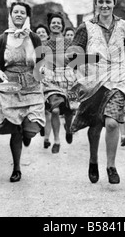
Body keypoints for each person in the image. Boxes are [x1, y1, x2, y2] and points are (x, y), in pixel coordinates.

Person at [66, 0, 125, 184]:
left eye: (108, 1)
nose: (105, 5)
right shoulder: (86, 27)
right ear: (96, 4)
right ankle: (92, 160)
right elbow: (74, 51)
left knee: (112, 122)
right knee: (95, 123)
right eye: (101, 2)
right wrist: (76, 56)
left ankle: (111, 166)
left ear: (114, 3)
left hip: (118, 79)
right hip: (94, 82)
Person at [0, 2, 45, 183]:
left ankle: (28, 134)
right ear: (11, 15)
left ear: (27, 16)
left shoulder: (34, 38)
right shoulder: (1, 39)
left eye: (22, 12)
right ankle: (16, 168)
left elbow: (42, 60)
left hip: (32, 85)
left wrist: (42, 68)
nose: (19, 15)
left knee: (30, 129)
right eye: (16, 12)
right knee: (15, 129)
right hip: (10, 86)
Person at [41, 12, 76, 153]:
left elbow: (76, 60)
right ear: (49, 25)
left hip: (67, 77)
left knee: (69, 110)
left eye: (59, 23)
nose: (56, 25)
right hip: (51, 79)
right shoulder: (44, 44)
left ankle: (69, 128)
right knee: (54, 109)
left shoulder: (69, 43)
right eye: (53, 22)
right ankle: (56, 140)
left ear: (62, 26)